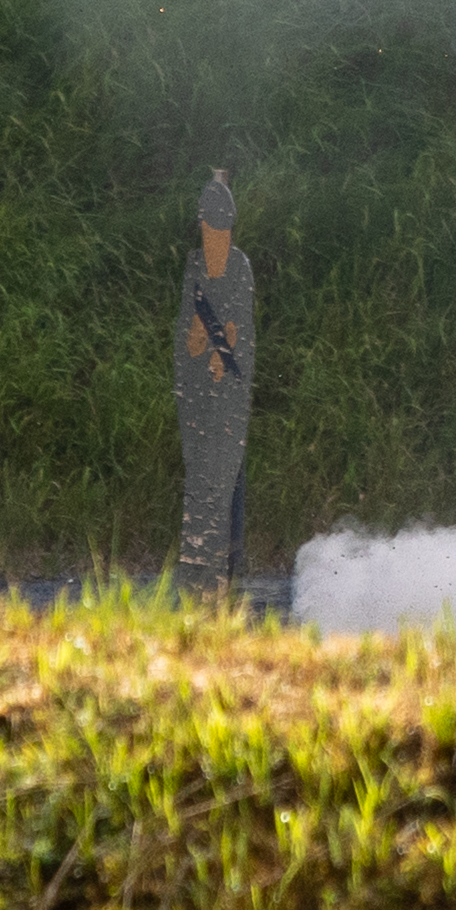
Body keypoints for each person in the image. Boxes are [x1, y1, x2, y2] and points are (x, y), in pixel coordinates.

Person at [175, 169, 257, 593]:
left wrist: (223, 357)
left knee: (229, 483)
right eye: (211, 228)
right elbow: (187, 341)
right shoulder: (196, 270)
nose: (216, 237)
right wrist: (199, 341)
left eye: (222, 229)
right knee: (201, 488)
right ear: (203, 226)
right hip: (198, 401)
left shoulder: (239, 267)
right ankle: (199, 577)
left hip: (229, 401)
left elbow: (238, 329)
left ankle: (229, 571)